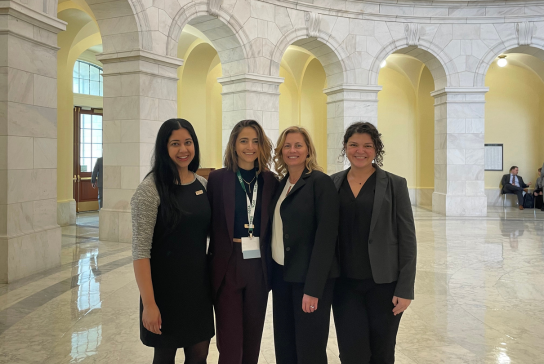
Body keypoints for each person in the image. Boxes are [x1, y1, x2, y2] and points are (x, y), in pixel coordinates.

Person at [331, 122, 417, 364]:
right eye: (354, 145)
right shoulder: (332, 183)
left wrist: (405, 288)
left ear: (376, 149)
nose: (360, 151)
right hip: (344, 285)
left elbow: (408, 238)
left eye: (367, 145)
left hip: (385, 285)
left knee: (382, 352)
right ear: (345, 148)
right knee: (351, 353)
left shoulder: (394, 184)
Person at [131, 119, 214, 364]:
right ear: (163, 148)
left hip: (198, 290)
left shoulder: (203, 185)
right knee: (165, 355)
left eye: (188, 142)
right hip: (164, 293)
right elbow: (140, 252)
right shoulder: (150, 189)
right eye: (175, 143)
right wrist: (149, 304)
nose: (183, 150)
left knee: (199, 355)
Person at [207, 120, 278, 364]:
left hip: (259, 265)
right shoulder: (217, 180)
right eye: (244, 140)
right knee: (230, 342)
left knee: (252, 337)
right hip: (228, 263)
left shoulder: (271, 181)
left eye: (256, 141)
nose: (250, 146)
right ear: (234, 145)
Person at [270, 126, 339, 364]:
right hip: (282, 277)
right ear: (280, 151)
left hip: (308, 281)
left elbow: (326, 239)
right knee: (285, 345)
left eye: (298, 145)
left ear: (308, 149)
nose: (292, 150)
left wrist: (313, 289)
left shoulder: (320, 183)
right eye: (287, 146)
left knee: (309, 349)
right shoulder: (281, 184)